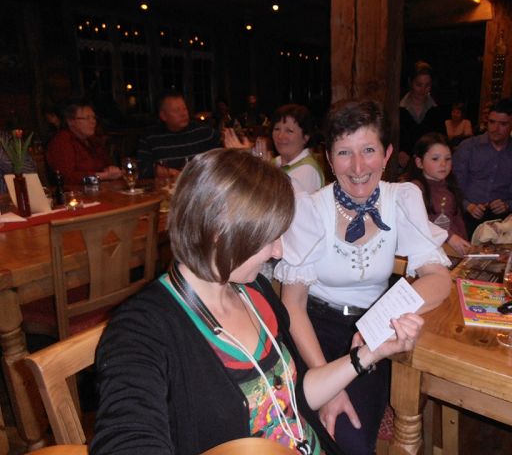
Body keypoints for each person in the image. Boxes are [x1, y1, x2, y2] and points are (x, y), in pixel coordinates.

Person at [90, 149, 424, 455]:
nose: (278, 251)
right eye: (270, 239)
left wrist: (369, 353)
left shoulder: (253, 292)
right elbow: (126, 436)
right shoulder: (141, 331)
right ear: (220, 232)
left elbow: (290, 394)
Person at [275, 100, 452, 455]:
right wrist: (329, 382)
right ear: (329, 158)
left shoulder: (402, 199)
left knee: (349, 438)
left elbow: (438, 277)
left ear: (387, 154)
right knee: (291, 430)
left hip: (371, 336)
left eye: (369, 150)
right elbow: (292, 305)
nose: (358, 167)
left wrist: (382, 321)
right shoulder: (310, 209)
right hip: (310, 332)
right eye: (344, 152)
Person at [453, 98, 512, 236]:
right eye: (492, 122)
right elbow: (453, 185)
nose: (495, 129)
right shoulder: (468, 147)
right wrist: (468, 205)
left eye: (503, 124)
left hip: (501, 221)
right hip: (466, 215)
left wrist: (507, 205)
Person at [137, 91, 221, 179]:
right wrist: (168, 172)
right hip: (167, 186)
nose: (184, 114)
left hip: (199, 184)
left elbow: (226, 153)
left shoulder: (203, 132)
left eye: (185, 109)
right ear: (163, 116)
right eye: (177, 110)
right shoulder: (150, 137)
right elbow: (141, 169)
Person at [410, 133, 470, 255]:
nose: (443, 164)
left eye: (447, 159)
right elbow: (420, 223)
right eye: (435, 159)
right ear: (419, 162)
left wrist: (465, 243)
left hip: (454, 250)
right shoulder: (414, 189)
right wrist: (449, 236)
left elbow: (458, 221)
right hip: (430, 252)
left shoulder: (450, 186)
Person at [46, 100, 122, 185]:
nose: (93, 122)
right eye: (87, 118)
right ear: (71, 121)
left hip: (99, 189)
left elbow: (105, 164)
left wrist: (111, 169)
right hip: (75, 192)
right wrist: (101, 176)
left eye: (94, 117)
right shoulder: (61, 142)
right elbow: (67, 178)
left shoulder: (93, 140)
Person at [398, 61, 445, 169]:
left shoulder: (436, 111)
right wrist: (398, 151)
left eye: (427, 85)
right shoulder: (397, 109)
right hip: (401, 168)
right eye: (419, 85)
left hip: (428, 168)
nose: (423, 90)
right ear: (410, 82)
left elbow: (442, 141)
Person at [272, 104, 325, 193]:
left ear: (305, 137)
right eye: (277, 129)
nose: (280, 136)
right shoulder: (275, 162)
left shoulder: (307, 170)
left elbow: (278, 199)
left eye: (289, 131)